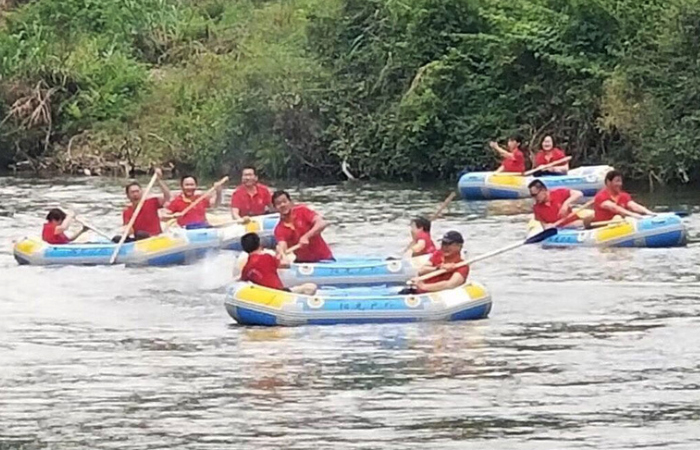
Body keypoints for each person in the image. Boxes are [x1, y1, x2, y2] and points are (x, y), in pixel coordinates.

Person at [238, 232, 317, 295]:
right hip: (280, 293)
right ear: (259, 244)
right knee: (311, 287)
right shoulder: (267, 257)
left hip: (267, 296)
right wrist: (281, 252)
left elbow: (242, 280)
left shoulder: (247, 268)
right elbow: (286, 264)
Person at [272, 190, 334, 263]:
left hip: (323, 258)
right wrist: (281, 251)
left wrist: (306, 236)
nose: (282, 205)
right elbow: (283, 245)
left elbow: (322, 223)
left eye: (284, 201)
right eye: (278, 204)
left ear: (291, 202)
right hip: (303, 263)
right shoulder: (279, 229)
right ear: (275, 208)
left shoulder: (302, 211)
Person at [115, 168, 171, 243]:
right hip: (139, 240)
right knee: (116, 239)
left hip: (154, 238)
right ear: (128, 195)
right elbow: (130, 231)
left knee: (140, 234)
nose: (135, 194)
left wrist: (159, 181)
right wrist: (126, 230)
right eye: (132, 192)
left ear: (142, 192)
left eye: (137, 191)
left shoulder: (152, 202)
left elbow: (167, 197)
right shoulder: (127, 211)